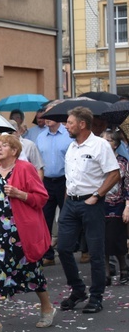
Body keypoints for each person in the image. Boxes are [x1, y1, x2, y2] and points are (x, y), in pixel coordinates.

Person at [0, 134, 55, 332]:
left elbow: (42, 198)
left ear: (14, 151)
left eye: (4, 145)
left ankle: (47, 307)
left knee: (32, 272)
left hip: (21, 232)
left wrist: (20, 194)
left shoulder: (25, 168)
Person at [58, 107, 120, 314]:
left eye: (70, 122)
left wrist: (97, 195)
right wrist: (67, 201)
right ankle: (78, 290)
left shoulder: (100, 145)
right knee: (64, 248)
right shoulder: (71, 147)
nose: (66, 126)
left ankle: (96, 297)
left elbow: (114, 174)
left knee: (95, 252)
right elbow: (70, 178)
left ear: (82, 124)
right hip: (71, 203)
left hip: (91, 204)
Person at [36, 117, 74, 266]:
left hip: (65, 180)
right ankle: (48, 254)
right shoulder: (40, 137)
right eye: (45, 117)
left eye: (50, 117)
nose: (46, 120)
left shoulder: (67, 134)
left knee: (67, 217)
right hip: (46, 182)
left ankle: (72, 250)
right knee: (45, 218)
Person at [101, 129, 129, 285]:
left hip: (117, 204)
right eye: (103, 139)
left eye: (109, 140)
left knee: (116, 239)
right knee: (101, 240)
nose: (105, 143)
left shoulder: (122, 162)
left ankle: (124, 268)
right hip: (99, 204)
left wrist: (127, 206)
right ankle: (106, 272)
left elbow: (127, 186)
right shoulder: (97, 160)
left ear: (116, 144)